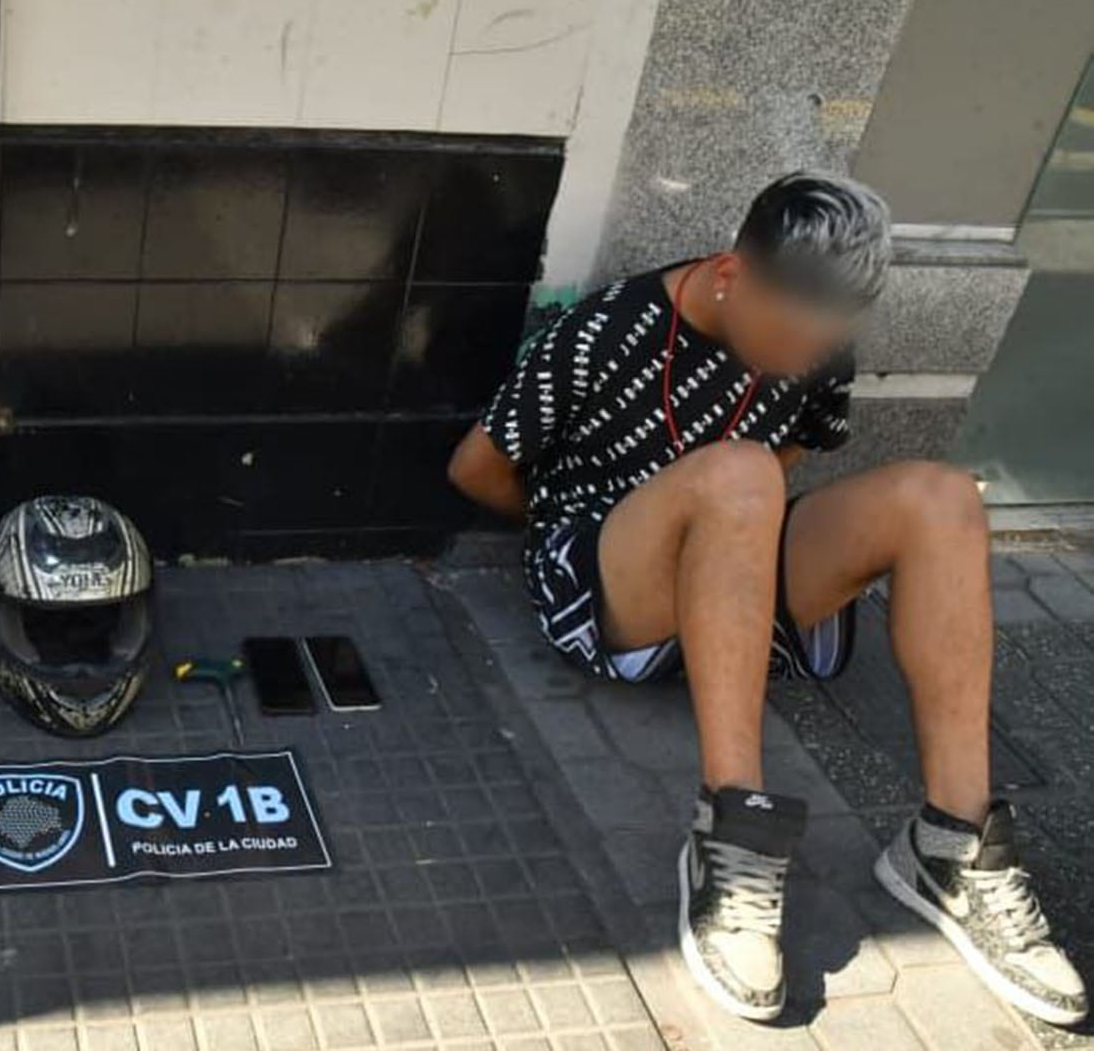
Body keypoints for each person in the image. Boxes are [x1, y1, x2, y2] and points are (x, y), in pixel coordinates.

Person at [448, 172, 1085, 1025]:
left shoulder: (815, 348)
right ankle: (734, 834)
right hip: (608, 589)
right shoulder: (605, 330)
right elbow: (476, 469)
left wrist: (736, 537)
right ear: (729, 275)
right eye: (785, 334)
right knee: (742, 470)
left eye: (821, 341)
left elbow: (798, 452)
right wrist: (584, 534)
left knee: (943, 496)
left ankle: (951, 842)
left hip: (738, 576)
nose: (800, 358)